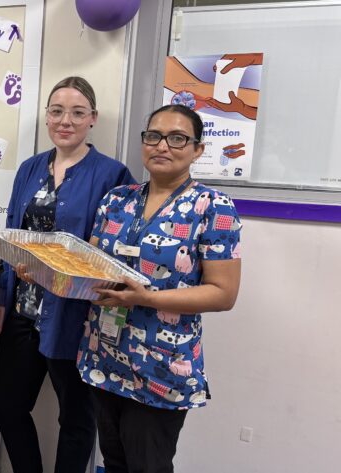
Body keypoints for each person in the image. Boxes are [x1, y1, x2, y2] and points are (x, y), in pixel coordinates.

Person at [78, 104, 242, 472]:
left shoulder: (213, 208)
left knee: (148, 465)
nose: (162, 146)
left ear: (197, 149)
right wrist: (44, 272)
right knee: (114, 461)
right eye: (153, 136)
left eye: (177, 138)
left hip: (161, 369)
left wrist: (147, 298)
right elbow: (88, 265)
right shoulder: (117, 201)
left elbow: (223, 293)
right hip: (104, 356)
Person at [0, 77, 135, 473]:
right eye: (56, 111)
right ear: (47, 117)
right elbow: (11, 231)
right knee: (5, 404)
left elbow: (116, 251)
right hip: (24, 309)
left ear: (93, 119)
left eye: (77, 112)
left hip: (77, 318)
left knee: (77, 418)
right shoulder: (30, 168)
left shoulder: (112, 175)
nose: (65, 120)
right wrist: (4, 301)